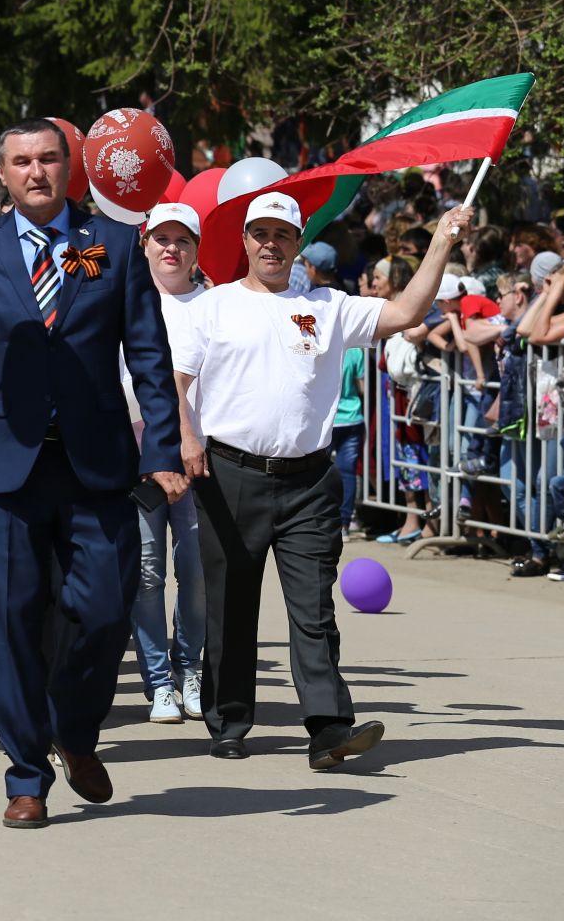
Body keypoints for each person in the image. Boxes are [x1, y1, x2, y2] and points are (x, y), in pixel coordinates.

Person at [0, 118, 186, 830]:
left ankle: (73, 731)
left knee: (105, 612)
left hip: (96, 465)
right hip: (9, 466)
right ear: (3, 173)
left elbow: (149, 358)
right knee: (15, 624)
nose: (37, 171)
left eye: (49, 159)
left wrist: (163, 450)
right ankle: (26, 775)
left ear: (71, 167)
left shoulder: (113, 245)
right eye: (22, 161)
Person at [173, 192, 473, 768]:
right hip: (231, 474)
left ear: (297, 242)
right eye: (260, 233)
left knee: (313, 610)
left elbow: (406, 313)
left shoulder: (329, 306)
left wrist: (440, 242)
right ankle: (229, 719)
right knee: (232, 605)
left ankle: (329, 729)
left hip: (310, 480)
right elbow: (177, 382)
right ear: (244, 241)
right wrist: (187, 438)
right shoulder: (212, 307)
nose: (270, 244)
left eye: (282, 235)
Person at [122, 202, 208, 726]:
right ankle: (158, 683)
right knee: (148, 574)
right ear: (145, 245)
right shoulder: (125, 302)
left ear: (196, 249)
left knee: (196, 575)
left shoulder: (215, 305)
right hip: (137, 459)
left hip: (201, 464)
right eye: (161, 239)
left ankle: (190, 670)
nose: (171, 249)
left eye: (182, 240)